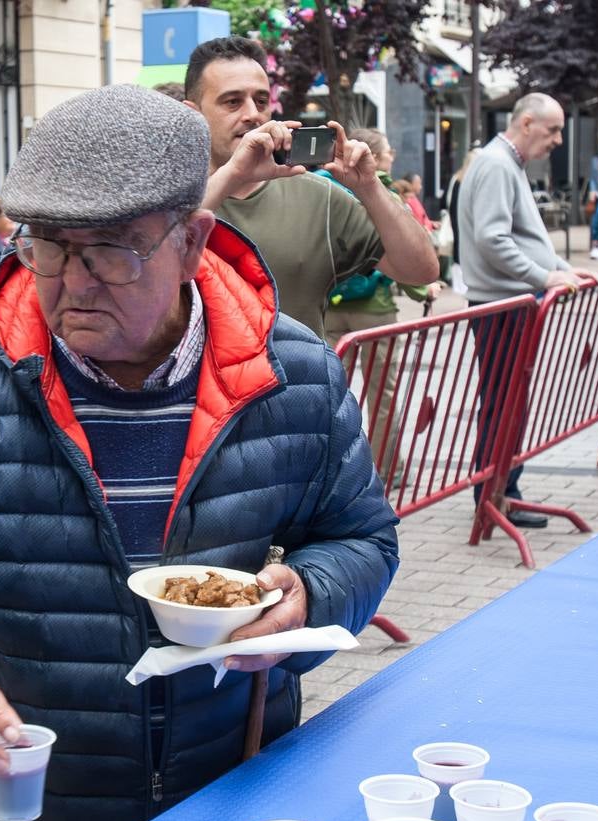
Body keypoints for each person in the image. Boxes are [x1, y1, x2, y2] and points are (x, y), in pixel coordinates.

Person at [0, 84, 398, 821]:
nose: (72, 282)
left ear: (192, 241)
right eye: (48, 245)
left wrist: (312, 591)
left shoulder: (287, 374)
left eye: (112, 249)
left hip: (226, 814)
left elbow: (361, 537)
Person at [185, 36, 437, 338]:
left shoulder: (318, 196)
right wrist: (233, 175)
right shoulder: (166, 198)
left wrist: (370, 187)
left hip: (295, 384)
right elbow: (159, 258)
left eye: (261, 101)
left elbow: (421, 270)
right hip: (190, 386)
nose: (252, 113)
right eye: (232, 101)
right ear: (193, 114)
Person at [458, 93, 598, 529]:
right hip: (502, 304)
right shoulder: (499, 164)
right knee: (503, 402)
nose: (558, 139)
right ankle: (496, 495)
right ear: (526, 123)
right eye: (553, 129)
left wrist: (558, 268)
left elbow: (517, 237)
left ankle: (501, 491)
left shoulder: (505, 163)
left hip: (508, 301)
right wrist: (545, 277)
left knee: (507, 401)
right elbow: (493, 239)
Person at [323, 129, 433, 487]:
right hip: (374, 308)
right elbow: (402, 251)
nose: (391, 156)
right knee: (381, 393)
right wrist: (422, 289)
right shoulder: (379, 188)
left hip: (330, 301)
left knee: (331, 392)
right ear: (375, 155)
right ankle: (388, 469)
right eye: (388, 151)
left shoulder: (323, 184)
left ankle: (333, 472)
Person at [445, 148, 479, 295]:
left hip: (457, 220)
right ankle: (462, 284)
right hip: (464, 220)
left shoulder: (456, 178)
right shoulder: (467, 180)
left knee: (459, 249)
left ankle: (460, 284)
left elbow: (447, 201)